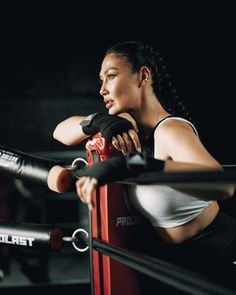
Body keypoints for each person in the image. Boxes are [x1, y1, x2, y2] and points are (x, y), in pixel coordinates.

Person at [53, 41, 236, 289]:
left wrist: (136, 165)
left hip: (221, 250)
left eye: (111, 77)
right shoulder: (131, 130)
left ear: (143, 76)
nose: (102, 90)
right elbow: (60, 133)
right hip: (179, 261)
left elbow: (222, 184)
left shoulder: (171, 130)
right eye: (101, 80)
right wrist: (98, 120)